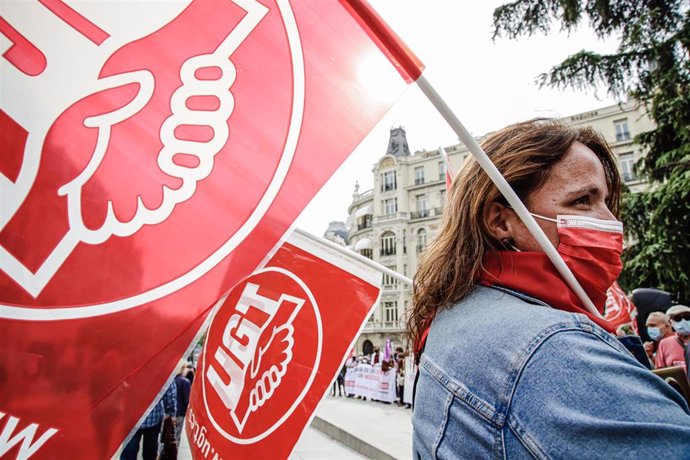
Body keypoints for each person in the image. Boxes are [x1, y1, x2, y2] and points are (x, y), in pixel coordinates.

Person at [409, 119, 690, 458]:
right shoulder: (553, 346)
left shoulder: (456, 315)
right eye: (582, 201)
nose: (610, 222)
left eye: (606, 201)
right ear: (501, 221)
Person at [121, 381, 177, 460]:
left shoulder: (130, 369)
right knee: (150, 453)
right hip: (153, 418)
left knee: (129, 453)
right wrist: (171, 413)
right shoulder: (163, 370)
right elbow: (170, 393)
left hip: (132, 419)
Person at [656, 305, 690, 370]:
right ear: (670, 322)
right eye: (677, 318)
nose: (683, 321)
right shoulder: (665, 343)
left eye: (687, 317)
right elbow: (660, 371)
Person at [174, 362, 192, 453]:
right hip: (179, 412)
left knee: (165, 435)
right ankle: (173, 453)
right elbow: (187, 399)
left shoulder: (170, 380)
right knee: (176, 435)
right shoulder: (185, 382)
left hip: (167, 413)